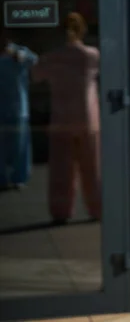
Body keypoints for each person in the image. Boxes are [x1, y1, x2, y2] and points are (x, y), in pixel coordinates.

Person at [33, 12, 101, 222]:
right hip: (87, 119)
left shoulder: (51, 58)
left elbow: (35, 76)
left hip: (61, 119)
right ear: (83, 30)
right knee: (92, 169)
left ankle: (61, 211)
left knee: (61, 172)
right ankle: (97, 209)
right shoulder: (91, 55)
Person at [0, 29, 38, 191]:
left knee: (20, 146)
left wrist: (20, 55)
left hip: (18, 108)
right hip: (4, 107)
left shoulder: (18, 52)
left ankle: (19, 177)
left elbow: (34, 59)